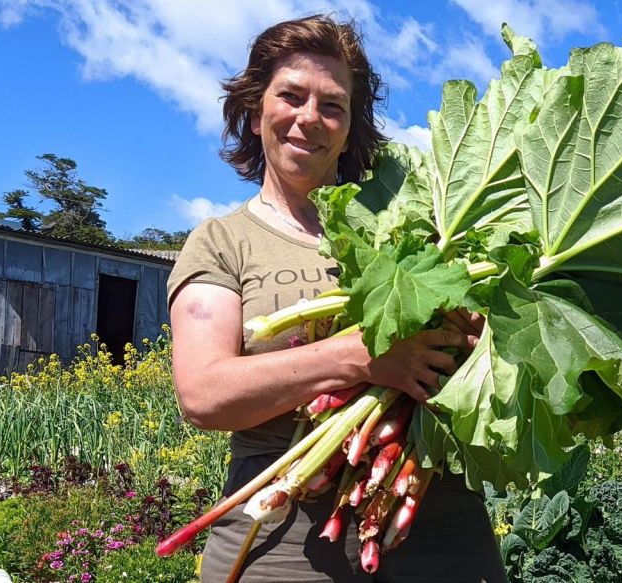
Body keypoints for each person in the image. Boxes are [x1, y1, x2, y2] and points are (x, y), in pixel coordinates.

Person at [167, 14, 507, 583]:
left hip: (442, 525)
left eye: (332, 106)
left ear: (350, 129)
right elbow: (203, 395)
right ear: (254, 110)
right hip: (286, 536)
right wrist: (358, 359)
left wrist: (476, 340)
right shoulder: (224, 241)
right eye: (290, 96)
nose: (309, 118)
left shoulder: (416, 229)